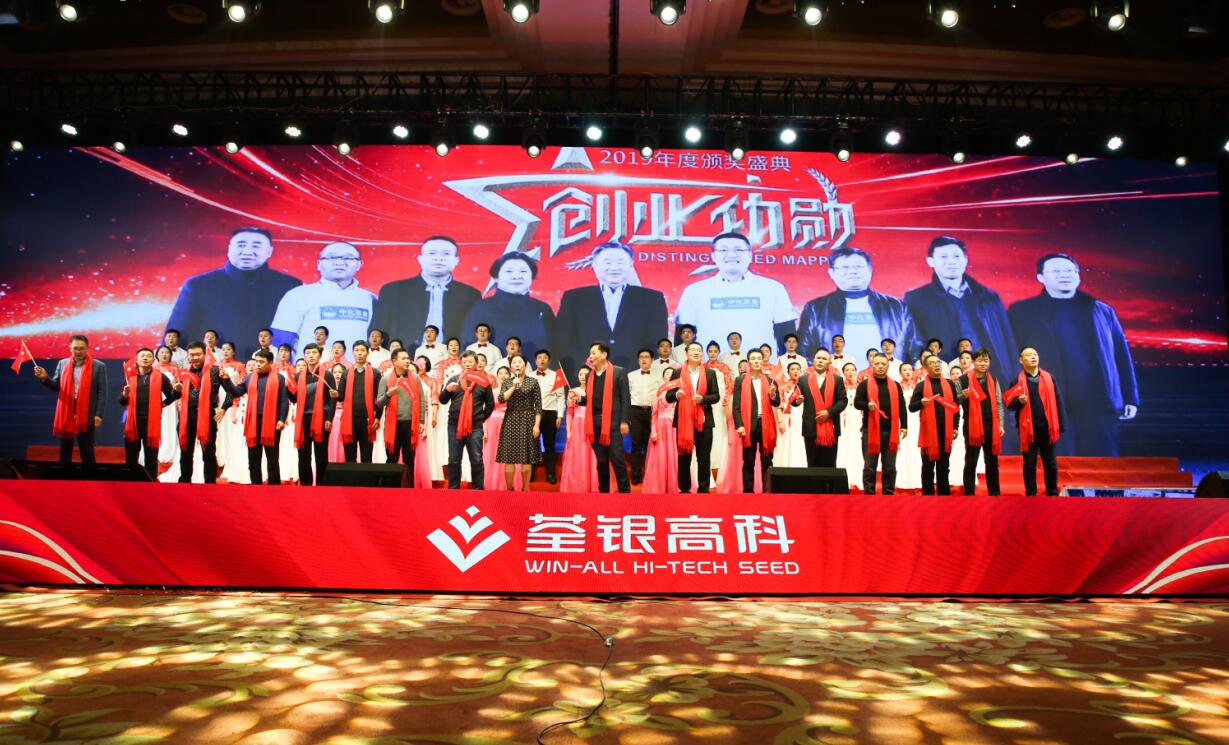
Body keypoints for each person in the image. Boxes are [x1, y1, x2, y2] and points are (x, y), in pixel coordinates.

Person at [1008, 252, 1138, 456]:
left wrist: (1130, 397)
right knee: (1056, 460)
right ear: (1040, 277)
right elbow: (1010, 355)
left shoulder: (1101, 310)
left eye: (1069, 271)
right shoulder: (1021, 311)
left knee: (1101, 460)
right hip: (1047, 400)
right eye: (1056, 271)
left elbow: (1120, 355)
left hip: (1097, 402)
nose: (1064, 275)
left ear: (1078, 276)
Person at [165, 227, 302, 359]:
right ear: (229, 249)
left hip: (270, 366)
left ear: (269, 251)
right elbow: (178, 334)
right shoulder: (199, 285)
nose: (247, 252)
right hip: (215, 367)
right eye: (241, 245)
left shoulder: (289, 286)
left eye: (256, 246)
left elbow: (298, 335)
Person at [904, 236, 1018, 384]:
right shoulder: (917, 299)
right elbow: (914, 345)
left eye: (956, 256)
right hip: (947, 377)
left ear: (965, 260)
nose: (951, 262)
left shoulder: (989, 297)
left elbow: (1007, 343)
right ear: (930, 261)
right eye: (943, 257)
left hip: (991, 376)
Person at [674, 232, 797, 355]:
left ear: (750, 255)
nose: (732, 255)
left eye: (739, 250)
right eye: (723, 250)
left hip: (761, 365)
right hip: (709, 365)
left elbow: (786, 334)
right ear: (714, 256)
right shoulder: (695, 291)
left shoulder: (773, 288)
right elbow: (682, 340)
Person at [798, 246, 922, 367]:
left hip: (888, 377)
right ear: (831, 272)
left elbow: (916, 349)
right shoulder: (815, 309)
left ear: (870, 270)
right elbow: (803, 352)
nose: (853, 271)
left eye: (858, 267)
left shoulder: (896, 306)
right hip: (836, 378)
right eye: (845, 267)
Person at [555, 240, 669, 372]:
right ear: (595, 265)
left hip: (635, 376)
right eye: (607, 263)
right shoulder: (574, 298)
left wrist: (637, 371)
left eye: (620, 263)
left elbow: (656, 340)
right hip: (587, 375)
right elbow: (565, 340)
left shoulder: (652, 298)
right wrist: (584, 370)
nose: (614, 268)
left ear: (630, 265)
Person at [270, 242, 374, 362]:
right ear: (318, 264)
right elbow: (280, 342)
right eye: (332, 257)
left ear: (359, 264)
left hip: (357, 371)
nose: (339, 262)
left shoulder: (370, 299)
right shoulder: (297, 295)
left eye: (348, 258)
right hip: (311, 370)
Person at [372, 236, 482, 348]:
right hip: (404, 355)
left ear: (456, 260)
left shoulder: (471, 295)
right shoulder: (394, 291)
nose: (439, 259)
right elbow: (378, 331)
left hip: (452, 355)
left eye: (446, 254)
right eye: (432, 253)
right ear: (420, 259)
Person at [461, 252, 556, 361]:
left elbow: (554, 347)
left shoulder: (542, 308)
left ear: (532, 276)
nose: (516, 276)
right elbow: (468, 346)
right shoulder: (481, 308)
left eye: (523, 271)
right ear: (496, 277)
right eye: (509, 271)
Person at [33, 335, 108, 465]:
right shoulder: (62, 363)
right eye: (75, 348)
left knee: (87, 448)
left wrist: (98, 414)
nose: (78, 351)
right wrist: (45, 378)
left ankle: (90, 475)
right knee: (65, 449)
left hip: (87, 411)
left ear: (88, 348)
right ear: (70, 348)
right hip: (67, 410)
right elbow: (56, 386)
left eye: (82, 348)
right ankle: (65, 475)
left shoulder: (98, 366)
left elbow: (102, 392)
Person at [220, 349, 289, 485]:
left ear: (270, 362)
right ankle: (256, 487)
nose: (258, 364)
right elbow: (236, 392)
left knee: (272, 458)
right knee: (253, 458)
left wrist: (281, 419)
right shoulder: (249, 377)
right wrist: (227, 381)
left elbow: (283, 401)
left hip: (272, 422)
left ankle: (274, 488)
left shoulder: (279, 378)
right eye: (256, 361)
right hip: (253, 421)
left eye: (261, 362)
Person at [572, 342, 632, 494]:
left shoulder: (618, 372)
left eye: (593, 353)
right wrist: (579, 399)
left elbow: (625, 399)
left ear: (604, 355)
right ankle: (603, 493)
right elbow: (589, 400)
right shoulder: (589, 376)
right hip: (594, 423)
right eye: (590, 353)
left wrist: (624, 421)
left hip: (613, 423)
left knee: (617, 459)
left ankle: (625, 493)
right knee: (601, 461)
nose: (590, 356)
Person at [1006, 346, 1066, 496]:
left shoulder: (1049, 378)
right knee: (1029, 464)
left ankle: (1052, 492)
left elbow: (1058, 402)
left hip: (1047, 428)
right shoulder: (1017, 381)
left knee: (1050, 463)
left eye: (1035, 354)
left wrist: (1061, 424)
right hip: (1028, 429)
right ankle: (1031, 493)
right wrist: (1019, 402)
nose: (1033, 357)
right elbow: (1009, 404)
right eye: (1028, 355)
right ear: (1021, 360)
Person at [665, 341, 720, 494]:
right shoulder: (677, 373)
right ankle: (684, 489)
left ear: (702, 354)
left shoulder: (710, 373)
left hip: (704, 421)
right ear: (686, 353)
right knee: (684, 457)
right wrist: (677, 395)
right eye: (693, 350)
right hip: (684, 421)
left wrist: (703, 399)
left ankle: (703, 490)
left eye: (699, 350)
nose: (696, 352)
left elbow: (716, 396)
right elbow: (668, 396)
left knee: (704, 457)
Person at [119, 347, 180, 480]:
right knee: (131, 457)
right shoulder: (130, 377)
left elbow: (172, 395)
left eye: (148, 356)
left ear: (153, 360)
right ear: (137, 360)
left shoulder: (161, 377)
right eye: (142, 356)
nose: (145, 358)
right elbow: (122, 402)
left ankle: (150, 482)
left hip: (151, 422)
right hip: (133, 422)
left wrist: (170, 398)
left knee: (151, 457)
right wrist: (125, 394)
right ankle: (130, 481)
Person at [439, 351, 496, 489]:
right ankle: (453, 489)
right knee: (454, 459)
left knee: (476, 459)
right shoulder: (455, 379)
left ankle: (478, 490)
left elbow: (490, 404)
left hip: (475, 426)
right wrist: (447, 390)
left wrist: (480, 418)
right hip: (454, 425)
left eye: (470, 362)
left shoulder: (484, 382)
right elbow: (442, 400)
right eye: (464, 362)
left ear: (476, 363)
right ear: (461, 364)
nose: (467, 364)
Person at [854, 352, 908, 495]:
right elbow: (857, 403)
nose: (880, 366)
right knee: (869, 466)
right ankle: (869, 495)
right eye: (877, 364)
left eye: (883, 364)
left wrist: (904, 425)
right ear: (872, 365)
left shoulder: (895, 385)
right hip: (870, 430)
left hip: (890, 431)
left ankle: (888, 494)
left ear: (888, 366)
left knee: (890, 467)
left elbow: (902, 406)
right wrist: (867, 405)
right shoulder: (865, 384)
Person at [176, 342, 229, 483]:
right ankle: (184, 481)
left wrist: (223, 408)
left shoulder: (215, 370)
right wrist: (176, 390)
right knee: (185, 452)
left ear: (205, 354)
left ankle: (210, 483)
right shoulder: (184, 372)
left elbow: (231, 392)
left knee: (208, 452)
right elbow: (175, 394)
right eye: (191, 355)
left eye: (198, 354)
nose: (195, 358)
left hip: (206, 416)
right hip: (186, 416)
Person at [909, 354, 961, 495]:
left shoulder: (950, 384)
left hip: (946, 431)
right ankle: (928, 495)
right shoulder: (921, 386)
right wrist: (921, 403)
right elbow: (911, 407)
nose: (937, 365)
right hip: (928, 432)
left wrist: (955, 427)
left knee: (944, 465)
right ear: (925, 367)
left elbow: (956, 407)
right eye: (932, 363)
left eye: (938, 362)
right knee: (928, 466)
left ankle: (944, 495)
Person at [732, 349, 781, 492]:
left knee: (767, 462)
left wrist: (773, 395)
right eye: (753, 359)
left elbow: (776, 402)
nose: (756, 361)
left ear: (763, 361)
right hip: (748, 426)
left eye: (759, 358)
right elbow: (736, 406)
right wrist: (739, 425)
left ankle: (767, 491)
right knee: (748, 462)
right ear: (748, 362)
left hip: (766, 425)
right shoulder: (740, 380)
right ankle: (748, 492)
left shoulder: (770, 380)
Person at [958, 348, 1005, 496]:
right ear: (973, 362)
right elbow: (954, 400)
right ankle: (969, 494)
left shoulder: (993, 380)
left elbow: (998, 403)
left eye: (986, 361)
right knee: (971, 461)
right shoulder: (963, 380)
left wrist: (1001, 424)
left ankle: (994, 493)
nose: (983, 364)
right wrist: (963, 396)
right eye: (979, 360)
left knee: (992, 461)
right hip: (972, 425)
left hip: (991, 425)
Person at [376, 349, 429, 480]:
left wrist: (421, 421)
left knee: (409, 460)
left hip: (411, 425)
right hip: (393, 425)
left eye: (408, 358)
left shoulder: (415, 378)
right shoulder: (386, 379)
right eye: (403, 358)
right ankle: (390, 487)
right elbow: (379, 403)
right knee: (392, 459)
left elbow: (421, 400)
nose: (407, 361)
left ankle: (409, 488)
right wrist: (388, 395)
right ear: (394, 361)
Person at [288, 344, 336, 486]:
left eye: (314, 353)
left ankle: (322, 484)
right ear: (304, 356)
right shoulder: (298, 376)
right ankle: (305, 484)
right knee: (303, 455)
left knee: (321, 455)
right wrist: (287, 389)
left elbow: (333, 399)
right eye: (308, 353)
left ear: (320, 356)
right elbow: (294, 399)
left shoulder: (327, 375)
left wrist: (329, 418)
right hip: (303, 419)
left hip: (322, 418)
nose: (311, 356)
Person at [497, 353, 543, 491]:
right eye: (514, 362)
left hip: (528, 420)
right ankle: (510, 489)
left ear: (525, 365)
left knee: (526, 457)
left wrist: (536, 425)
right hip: (511, 419)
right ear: (511, 367)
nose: (517, 364)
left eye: (520, 362)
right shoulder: (507, 382)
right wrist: (513, 386)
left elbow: (538, 406)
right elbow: (501, 399)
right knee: (509, 457)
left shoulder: (533, 382)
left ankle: (526, 489)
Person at [795, 348, 847, 468]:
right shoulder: (803, 379)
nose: (820, 361)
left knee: (830, 465)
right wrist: (797, 400)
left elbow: (843, 401)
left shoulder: (837, 380)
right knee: (812, 464)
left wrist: (829, 412)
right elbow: (794, 399)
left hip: (831, 427)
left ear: (829, 363)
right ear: (813, 360)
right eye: (818, 358)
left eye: (824, 359)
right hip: (810, 427)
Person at [338, 340, 380, 463]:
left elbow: (380, 398)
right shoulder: (346, 373)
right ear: (352, 353)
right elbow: (340, 396)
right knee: (350, 456)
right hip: (349, 419)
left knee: (366, 456)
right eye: (356, 350)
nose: (359, 353)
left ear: (367, 353)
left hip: (367, 420)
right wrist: (335, 394)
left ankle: (366, 476)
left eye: (362, 350)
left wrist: (378, 417)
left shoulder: (375, 373)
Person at [559, 367, 598, 493]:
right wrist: (568, 430)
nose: (583, 376)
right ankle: (577, 486)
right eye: (580, 374)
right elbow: (569, 413)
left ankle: (593, 485)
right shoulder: (573, 391)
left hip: (592, 425)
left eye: (585, 374)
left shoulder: (596, 390)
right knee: (578, 455)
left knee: (592, 455)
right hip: (577, 426)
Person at [642, 367, 680, 494]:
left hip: (675, 427)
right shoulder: (658, 392)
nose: (669, 375)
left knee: (675, 456)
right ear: (663, 377)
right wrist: (653, 431)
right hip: (661, 426)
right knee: (660, 457)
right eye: (667, 373)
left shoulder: (679, 392)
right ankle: (659, 486)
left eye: (671, 374)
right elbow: (654, 414)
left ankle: (676, 485)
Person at [530, 349, 565, 484]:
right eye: (539, 357)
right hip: (533, 414)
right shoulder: (529, 376)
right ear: (535, 361)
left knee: (550, 445)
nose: (542, 360)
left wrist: (560, 416)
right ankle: (530, 474)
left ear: (549, 361)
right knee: (533, 445)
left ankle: (551, 474)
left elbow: (561, 397)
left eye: (545, 357)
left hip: (550, 414)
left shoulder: (556, 376)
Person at [626, 348, 658, 485]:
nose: (644, 359)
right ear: (638, 360)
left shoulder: (658, 376)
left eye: (647, 357)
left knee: (651, 445)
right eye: (641, 357)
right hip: (635, 412)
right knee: (636, 444)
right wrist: (627, 416)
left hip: (653, 412)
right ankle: (636, 475)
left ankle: (650, 475)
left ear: (652, 360)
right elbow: (626, 397)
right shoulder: (631, 376)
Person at [482, 366, 513, 491]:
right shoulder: (491, 391)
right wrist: (484, 429)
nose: (503, 376)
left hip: (508, 423)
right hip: (492, 424)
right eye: (500, 373)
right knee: (491, 454)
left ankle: (507, 484)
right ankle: (492, 483)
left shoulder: (514, 392)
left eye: (506, 373)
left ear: (510, 376)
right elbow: (485, 411)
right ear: (497, 376)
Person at [836, 362, 863, 490]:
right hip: (843, 418)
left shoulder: (861, 387)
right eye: (847, 370)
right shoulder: (839, 387)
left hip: (857, 418)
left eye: (852, 370)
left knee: (856, 446)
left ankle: (857, 478)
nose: (850, 372)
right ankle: (842, 478)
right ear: (843, 372)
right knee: (843, 446)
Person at [774, 362, 807, 469]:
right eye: (792, 369)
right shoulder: (782, 387)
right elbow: (778, 406)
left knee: (799, 442)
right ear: (788, 372)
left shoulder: (805, 387)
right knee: (785, 442)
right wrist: (780, 421)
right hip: (787, 418)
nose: (795, 371)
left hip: (801, 418)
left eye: (798, 369)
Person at [896, 362, 922, 491]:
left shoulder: (918, 386)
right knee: (904, 448)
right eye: (904, 370)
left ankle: (917, 480)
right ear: (900, 373)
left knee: (916, 448)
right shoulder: (897, 386)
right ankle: (903, 481)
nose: (907, 372)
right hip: (903, 419)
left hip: (917, 419)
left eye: (910, 370)